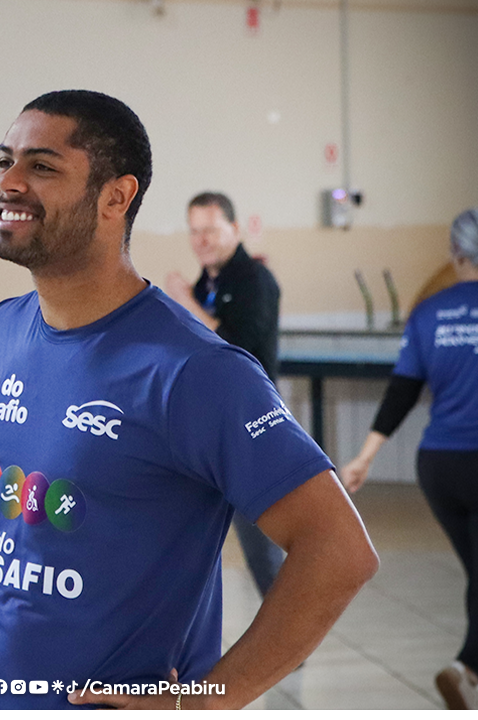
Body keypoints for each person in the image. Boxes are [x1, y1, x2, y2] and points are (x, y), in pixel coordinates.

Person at [0, 90, 378, 710]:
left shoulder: (195, 370)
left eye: (41, 166)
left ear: (116, 197)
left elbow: (339, 550)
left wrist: (207, 700)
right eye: (5, 161)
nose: (9, 183)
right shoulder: (4, 328)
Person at [341, 208, 478, 711]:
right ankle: (473, 670)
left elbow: (402, 392)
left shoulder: (430, 311)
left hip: (440, 469)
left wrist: (364, 457)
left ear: (455, 255)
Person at [163, 192, 285, 599]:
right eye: (194, 231)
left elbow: (237, 348)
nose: (201, 241)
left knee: (260, 544)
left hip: (249, 427)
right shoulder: (208, 282)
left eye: (211, 231)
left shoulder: (255, 281)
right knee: (188, 536)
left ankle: (290, 623)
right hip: (207, 427)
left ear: (234, 229)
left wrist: (185, 302)